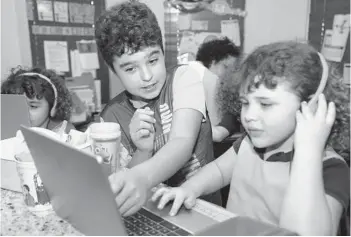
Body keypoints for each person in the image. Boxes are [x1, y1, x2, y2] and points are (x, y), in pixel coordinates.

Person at [152, 41, 350, 235]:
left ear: (311, 106)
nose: (248, 116)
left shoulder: (330, 168)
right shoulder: (248, 144)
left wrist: (308, 152)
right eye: (245, 103)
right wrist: (189, 189)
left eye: (265, 104)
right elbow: (220, 171)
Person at [94, 1, 221, 216]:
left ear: (163, 52)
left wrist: (140, 178)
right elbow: (125, 183)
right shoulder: (111, 116)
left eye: (152, 60)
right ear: (114, 70)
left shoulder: (183, 79)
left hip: (200, 208)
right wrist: (143, 150)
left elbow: (182, 143)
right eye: (131, 68)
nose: (146, 76)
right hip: (151, 212)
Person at [195, 37, 242, 142]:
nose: (228, 74)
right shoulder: (212, 79)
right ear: (212, 62)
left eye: (232, 70)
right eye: (226, 67)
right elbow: (217, 134)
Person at [1, 67, 74, 133]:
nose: (23, 113)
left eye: (33, 106)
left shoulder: (64, 138)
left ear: (53, 108)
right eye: (17, 106)